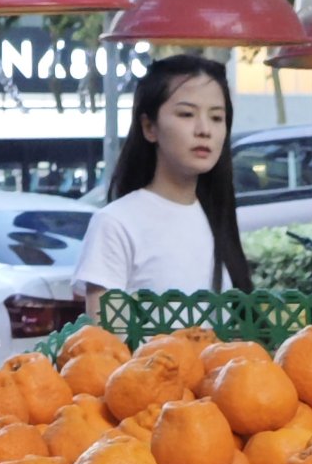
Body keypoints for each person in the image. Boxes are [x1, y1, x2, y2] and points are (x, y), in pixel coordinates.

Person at [74, 54, 253, 313]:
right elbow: (103, 348)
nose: (204, 129)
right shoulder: (115, 224)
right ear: (149, 127)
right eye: (187, 114)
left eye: (216, 117)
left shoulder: (216, 216)